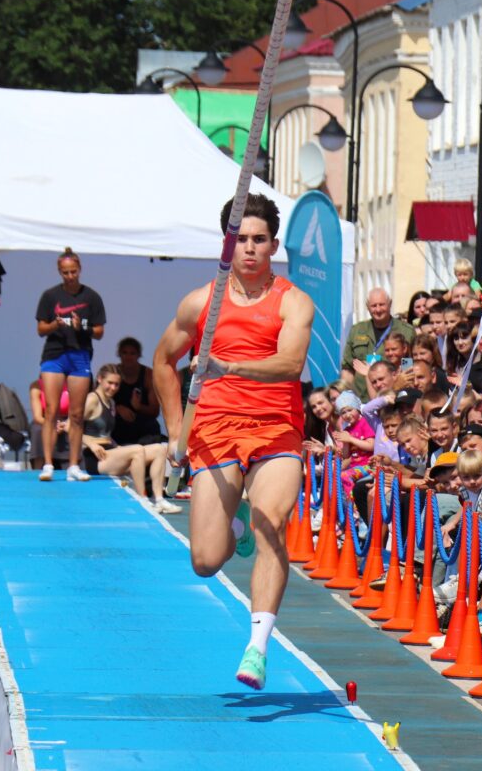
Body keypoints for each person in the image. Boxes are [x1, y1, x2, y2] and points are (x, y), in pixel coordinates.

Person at [153, 193, 314, 690]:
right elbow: (163, 362)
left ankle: (257, 646)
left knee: (272, 525)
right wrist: (178, 427)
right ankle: (233, 520)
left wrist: (231, 366)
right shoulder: (201, 302)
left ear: (274, 245)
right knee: (205, 560)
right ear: (228, 243)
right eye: (240, 238)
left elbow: (290, 365)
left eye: (259, 240)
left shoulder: (292, 301)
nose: (249, 248)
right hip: (216, 433)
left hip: (274, 430)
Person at [35, 246, 106, 482]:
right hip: (55, 355)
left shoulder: (91, 297)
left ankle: (74, 465)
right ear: (59, 272)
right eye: (65, 272)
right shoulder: (50, 296)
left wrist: (80, 327)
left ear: (80, 270)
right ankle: (47, 464)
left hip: (80, 355)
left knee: (77, 414)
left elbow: (99, 332)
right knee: (51, 411)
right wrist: (56, 325)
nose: (70, 276)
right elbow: (40, 329)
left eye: (73, 272)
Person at [82, 364, 176, 513]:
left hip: (110, 453)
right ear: (99, 379)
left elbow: (105, 434)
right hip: (94, 459)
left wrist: (116, 446)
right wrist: (91, 444)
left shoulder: (111, 402)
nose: (113, 388)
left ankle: (159, 499)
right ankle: (142, 499)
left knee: (159, 449)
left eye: (117, 384)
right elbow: (72, 426)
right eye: (110, 383)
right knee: (137, 450)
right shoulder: (92, 399)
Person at [344, 289, 417, 396]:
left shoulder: (406, 331)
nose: (378, 309)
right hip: (361, 399)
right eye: (374, 306)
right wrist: (347, 395)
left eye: (381, 305)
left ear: (390, 304)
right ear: (367, 307)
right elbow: (347, 369)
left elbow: (409, 366)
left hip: (392, 398)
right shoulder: (357, 330)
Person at [111, 336, 163, 447]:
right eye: (125, 353)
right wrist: (117, 409)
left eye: (132, 353)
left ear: (138, 355)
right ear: (119, 354)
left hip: (141, 425)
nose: (128, 357)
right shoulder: (112, 372)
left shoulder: (148, 375)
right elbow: (99, 401)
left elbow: (155, 411)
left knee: (152, 426)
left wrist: (139, 406)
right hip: (117, 424)